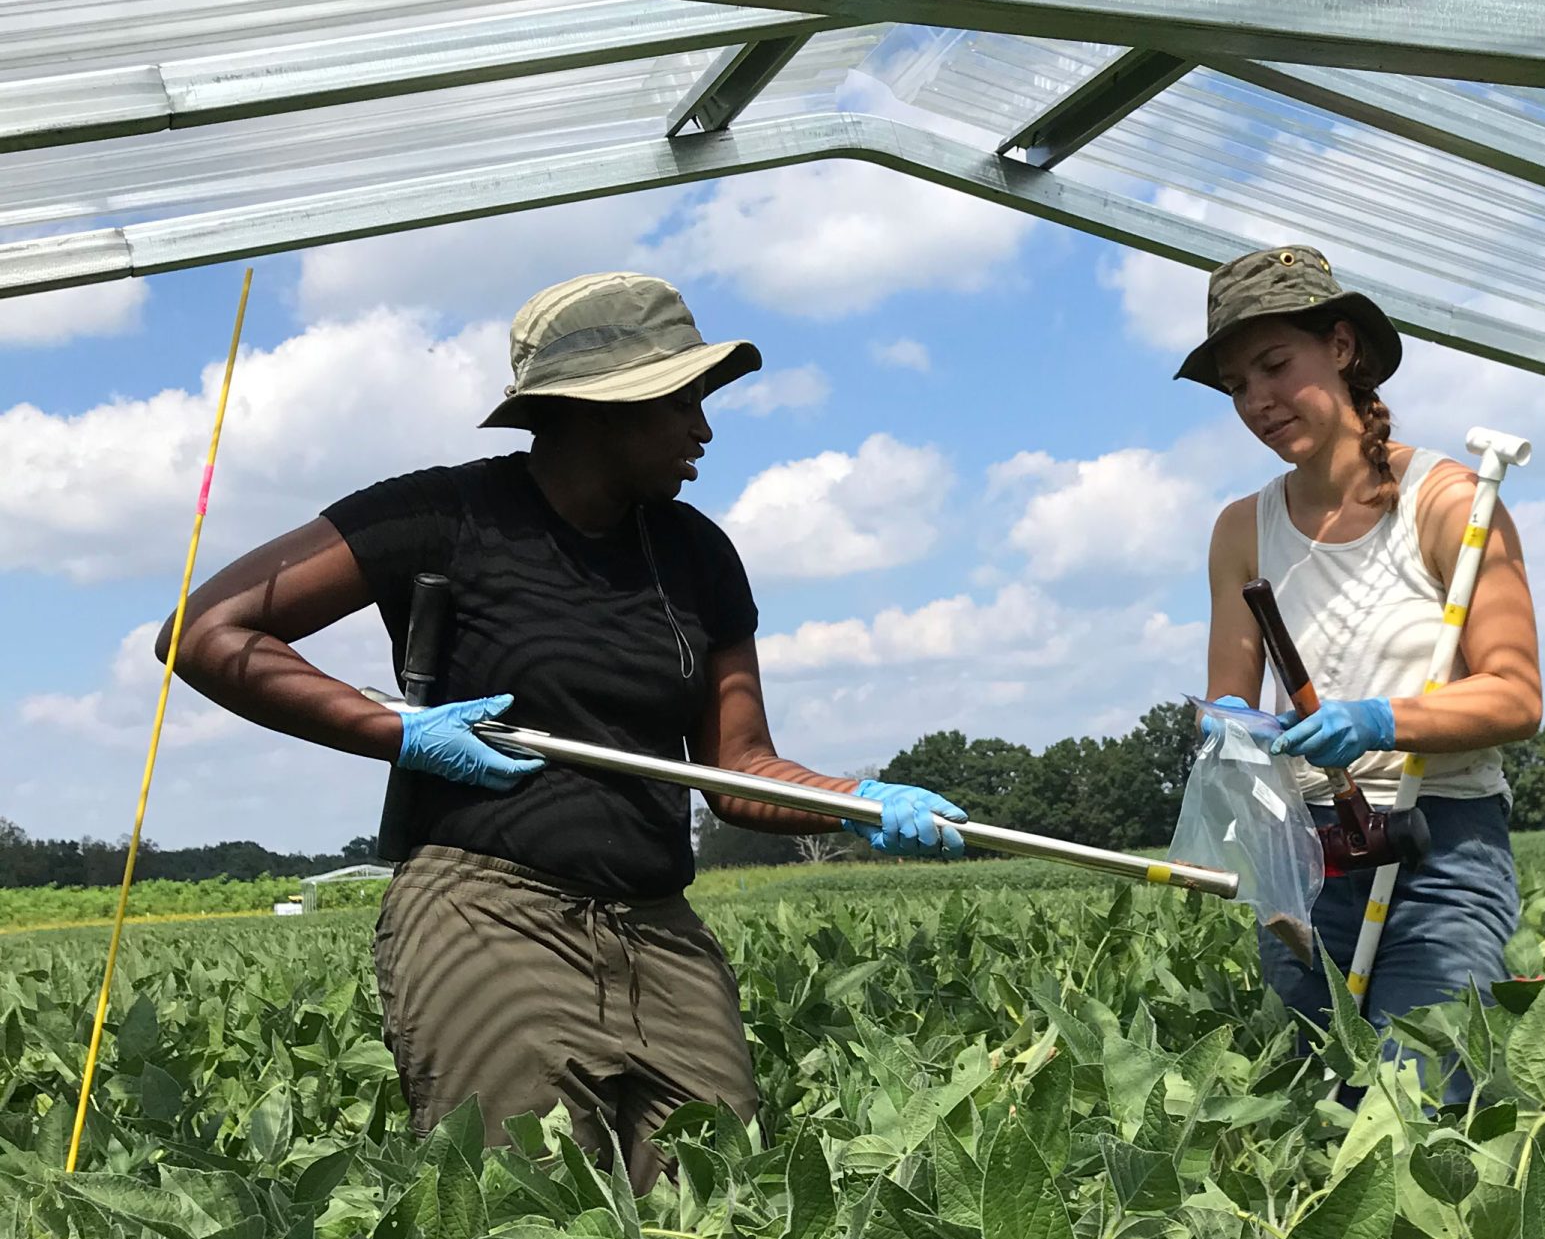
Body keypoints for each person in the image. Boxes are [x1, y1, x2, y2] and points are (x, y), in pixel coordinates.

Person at [167, 270, 963, 1188]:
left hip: (658, 930)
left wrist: (854, 803)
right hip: (487, 912)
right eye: (683, 400)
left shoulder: (697, 553)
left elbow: (739, 769)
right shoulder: (442, 515)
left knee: (721, 1201)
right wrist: (397, 730)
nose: (704, 428)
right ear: (598, 411)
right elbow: (206, 632)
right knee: (528, 1217)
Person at [1186, 244, 1542, 1057]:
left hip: (1441, 846)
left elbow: (1515, 698)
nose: (1257, 401)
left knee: (1420, 1098)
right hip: (1304, 856)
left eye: (1274, 366)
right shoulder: (1241, 529)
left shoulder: (1451, 502)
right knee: (1317, 1109)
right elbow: (1227, 700)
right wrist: (1232, 729)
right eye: (1236, 386)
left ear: (1341, 349)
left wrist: (1379, 720)